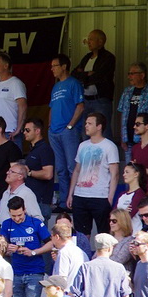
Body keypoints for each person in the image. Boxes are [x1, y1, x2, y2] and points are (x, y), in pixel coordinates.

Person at [68, 113, 120, 237]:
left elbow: (115, 174)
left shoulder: (109, 146)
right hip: (80, 195)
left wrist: (110, 197)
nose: (86, 126)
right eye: (86, 123)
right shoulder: (82, 145)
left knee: (104, 235)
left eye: (90, 123)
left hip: (100, 196)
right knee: (81, 235)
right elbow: (77, 170)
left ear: (99, 126)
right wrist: (71, 194)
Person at [1, 196, 51, 297]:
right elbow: (0, 245)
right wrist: (7, 247)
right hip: (15, 272)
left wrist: (33, 252)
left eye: (20, 215)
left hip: (34, 272)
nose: (17, 219)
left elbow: (51, 243)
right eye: (13, 216)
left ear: (25, 210)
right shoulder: (6, 224)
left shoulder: (35, 223)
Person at [70, 233, 132, 297]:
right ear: (110, 248)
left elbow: (74, 293)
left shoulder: (85, 267)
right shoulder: (119, 268)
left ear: (97, 248)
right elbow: (125, 295)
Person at [49, 54, 85, 202]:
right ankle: (64, 202)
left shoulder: (73, 83)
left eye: (55, 66)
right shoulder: (56, 86)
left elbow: (80, 106)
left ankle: (75, 200)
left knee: (72, 167)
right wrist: (50, 127)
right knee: (60, 169)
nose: (52, 69)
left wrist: (70, 125)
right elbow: (52, 108)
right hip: (54, 132)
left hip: (68, 132)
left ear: (64, 66)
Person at [72, 29, 116, 140]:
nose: (88, 42)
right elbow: (74, 74)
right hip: (86, 100)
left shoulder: (108, 57)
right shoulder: (87, 57)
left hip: (100, 101)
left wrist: (83, 75)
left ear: (100, 42)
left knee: (103, 131)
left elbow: (99, 77)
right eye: (88, 39)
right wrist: (88, 74)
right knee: (85, 132)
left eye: (91, 39)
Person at [118, 62, 148, 157]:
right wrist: (122, 137)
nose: (129, 77)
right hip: (128, 141)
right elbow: (122, 113)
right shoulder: (127, 91)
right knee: (131, 166)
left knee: (146, 165)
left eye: (132, 74)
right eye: (129, 74)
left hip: (147, 142)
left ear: (142, 75)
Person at [50, 223, 88, 291]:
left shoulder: (63, 253)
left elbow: (61, 279)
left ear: (57, 237)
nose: (51, 240)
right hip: (79, 293)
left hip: (66, 294)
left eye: (51, 237)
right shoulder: (81, 252)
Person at [108, 208, 137, 274]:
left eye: (114, 221)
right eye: (110, 220)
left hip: (120, 275)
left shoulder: (130, 240)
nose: (111, 223)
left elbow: (118, 260)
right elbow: (94, 258)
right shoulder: (107, 238)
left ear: (123, 222)